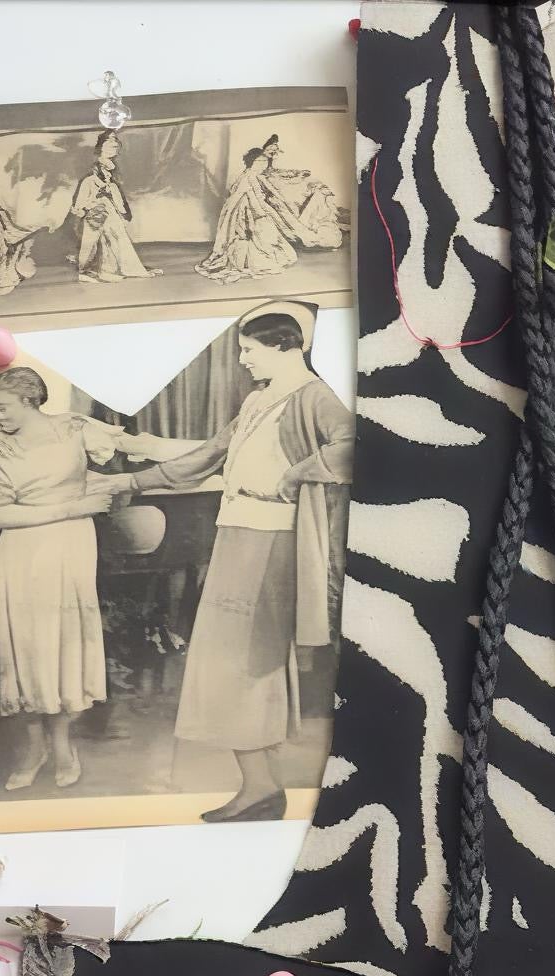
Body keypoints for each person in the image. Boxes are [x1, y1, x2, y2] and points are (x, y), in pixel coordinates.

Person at [153, 307, 351, 819]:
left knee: (247, 660)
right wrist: (127, 479)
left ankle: (261, 788)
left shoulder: (314, 396)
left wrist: (298, 473)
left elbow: (354, 445)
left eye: (249, 350)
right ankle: (261, 785)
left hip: (271, 538)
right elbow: (209, 454)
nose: (242, 360)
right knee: (230, 661)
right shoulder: (258, 399)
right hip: (237, 531)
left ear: (287, 346)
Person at [0, 366, 153, 791]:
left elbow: (134, 451)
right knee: (29, 647)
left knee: (64, 643)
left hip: (71, 546)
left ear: (30, 400)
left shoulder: (73, 428)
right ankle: (34, 749)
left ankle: (63, 745)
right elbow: (2, 516)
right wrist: (73, 507)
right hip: (23, 550)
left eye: (2, 407)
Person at [199, 137, 296, 279]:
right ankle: (246, 260)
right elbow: (250, 193)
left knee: (263, 229)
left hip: (249, 200)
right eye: (259, 162)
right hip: (245, 204)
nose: (262, 164)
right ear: (253, 162)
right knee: (251, 229)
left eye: (264, 162)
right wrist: (260, 209)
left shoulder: (254, 173)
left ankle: (256, 256)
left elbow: (263, 185)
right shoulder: (249, 176)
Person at [68, 132, 147, 285]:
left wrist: (122, 211)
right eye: (109, 140)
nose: (114, 143)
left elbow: (114, 193)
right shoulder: (91, 177)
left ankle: (110, 269)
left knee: (114, 236)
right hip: (95, 210)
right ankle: (86, 271)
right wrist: (90, 205)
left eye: (115, 140)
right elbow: (83, 199)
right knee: (92, 240)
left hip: (107, 209)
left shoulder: (111, 175)